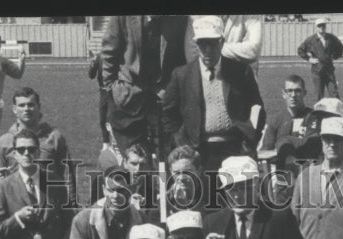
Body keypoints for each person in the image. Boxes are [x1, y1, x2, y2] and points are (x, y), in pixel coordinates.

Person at [162, 15, 265, 176]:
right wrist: (181, 143)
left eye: (212, 43)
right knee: (202, 198)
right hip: (197, 151)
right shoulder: (181, 75)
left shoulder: (240, 72)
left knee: (235, 198)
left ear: (222, 43)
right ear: (196, 44)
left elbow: (257, 109)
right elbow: (168, 114)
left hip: (235, 148)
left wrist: (250, 141)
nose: (207, 50)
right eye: (203, 44)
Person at [100, 14, 188, 155]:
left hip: (161, 98)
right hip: (128, 96)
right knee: (133, 159)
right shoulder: (123, 17)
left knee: (167, 156)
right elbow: (108, 51)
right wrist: (111, 87)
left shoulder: (178, 18)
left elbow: (181, 58)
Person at [0, 87, 76, 205]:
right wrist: (2, 180)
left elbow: (68, 176)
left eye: (31, 104)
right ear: (14, 109)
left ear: (39, 106)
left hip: (49, 205)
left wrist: (71, 205)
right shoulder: (4, 142)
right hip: (16, 207)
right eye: (21, 105)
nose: (26, 109)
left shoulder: (54, 138)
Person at [184, 15, 263, 77]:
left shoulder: (251, 16)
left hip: (241, 82)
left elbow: (253, 50)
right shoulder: (195, 16)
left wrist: (212, 47)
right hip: (208, 81)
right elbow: (192, 56)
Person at [260, 74, 312, 152]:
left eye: (297, 91)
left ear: (304, 93)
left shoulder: (312, 117)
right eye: (289, 91)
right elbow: (266, 150)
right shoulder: (276, 120)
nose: (293, 95)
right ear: (284, 94)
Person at [297, 17, 343, 102]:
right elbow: (300, 50)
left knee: (334, 94)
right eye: (319, 26)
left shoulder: (331, 38)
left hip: (329, 70)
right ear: (316, 27)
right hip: (317, 71)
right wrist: (309, 59)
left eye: (323, 25)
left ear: (325, 26)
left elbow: (340, 47)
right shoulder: (311, 40)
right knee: (319, 95)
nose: (321, 27)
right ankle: (319, 114)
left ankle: (338, 114)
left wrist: (334, 56)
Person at [88, 48, 110, 148]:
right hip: (104, 92)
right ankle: (106, 143)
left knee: (116, 118)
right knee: (103, 119)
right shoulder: (100, 57)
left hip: (117, 91)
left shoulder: (118, 55)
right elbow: (91, 75)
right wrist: (92, 64)